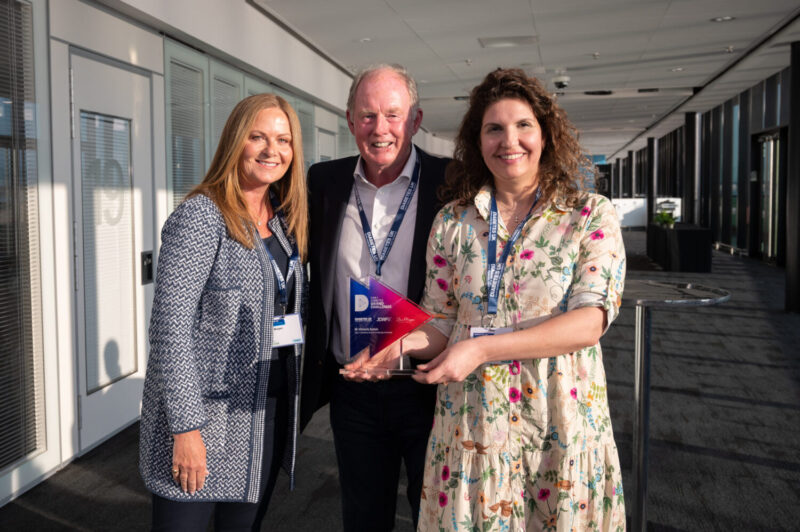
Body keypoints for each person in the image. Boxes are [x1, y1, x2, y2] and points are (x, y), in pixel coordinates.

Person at [365, 68, 627, 530]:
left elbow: (590, 320)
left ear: (545, 134)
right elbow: (442, 321)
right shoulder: (452, 221)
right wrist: (399, 346)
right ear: (477, 140)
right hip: (472, 431)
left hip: (559, 426)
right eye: (494, 128)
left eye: (523, 125)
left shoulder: (589, 214)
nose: (510, 140)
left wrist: (482, 348)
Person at [139, 93, 308, 531]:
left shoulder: (283, 222)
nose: (273, 150)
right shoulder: (202, 216)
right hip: (204, 422)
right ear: (235, 141)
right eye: (258, 137)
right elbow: (169, 330)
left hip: (262, 414)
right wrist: (186, 429)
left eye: (283, 140)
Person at [299, 64, 450, 531]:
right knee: (363, 517)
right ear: (349, 121)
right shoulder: (323, 182)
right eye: (367, 116)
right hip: (354, 388)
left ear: (416, 120)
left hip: (429, 385)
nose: (380, 129)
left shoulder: (452, 183)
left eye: (392, 114)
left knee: (436, 514)